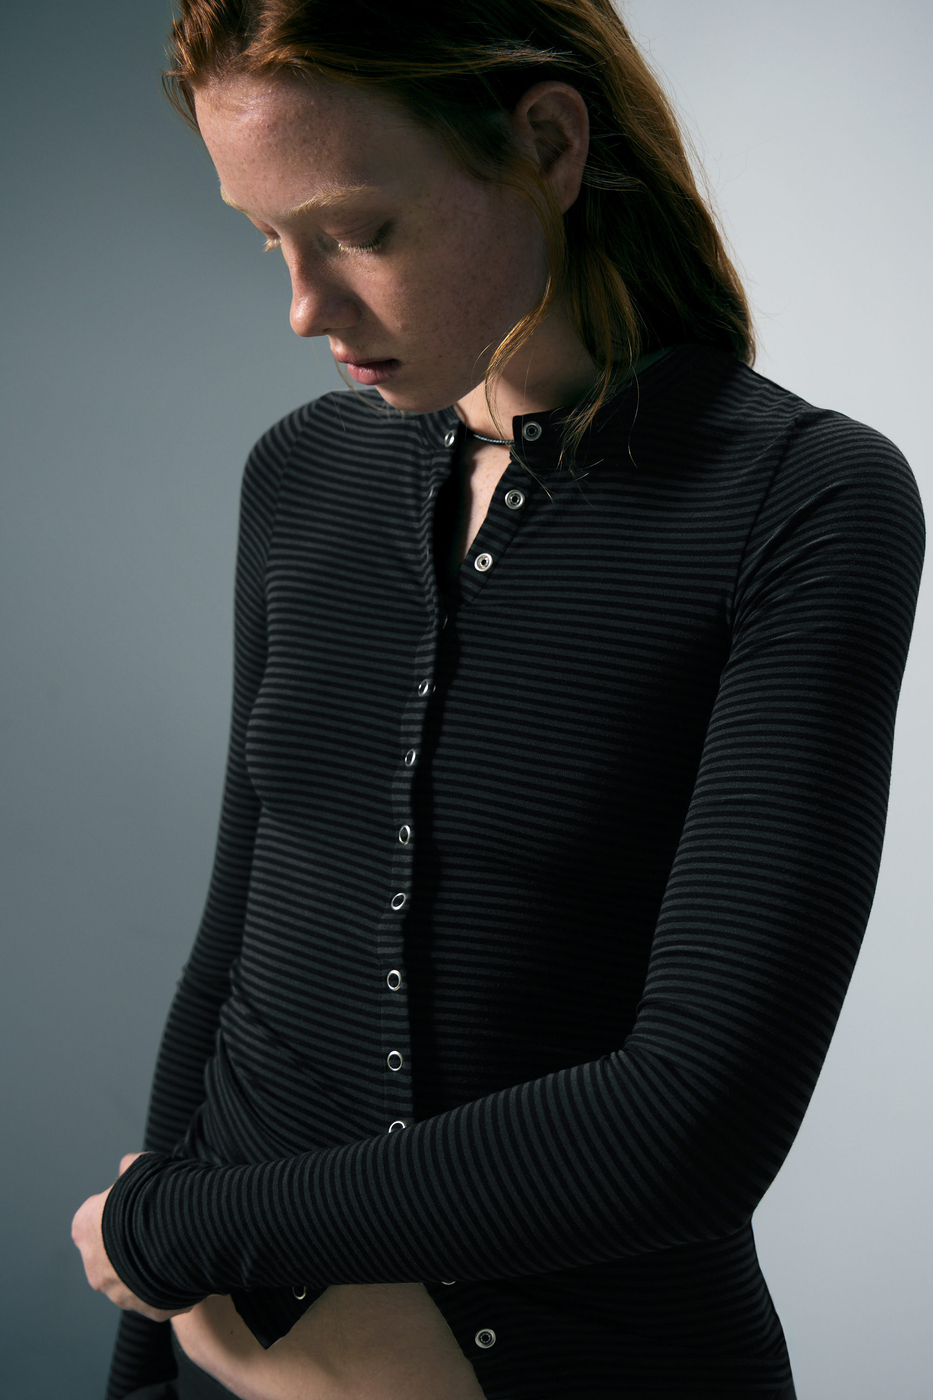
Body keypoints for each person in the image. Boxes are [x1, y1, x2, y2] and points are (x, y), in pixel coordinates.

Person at [71, 2, 924, 1398]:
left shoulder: (802, 500)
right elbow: (233, 958)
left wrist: (180, 1234)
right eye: (268, 239)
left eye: (361, 231)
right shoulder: (300, 474)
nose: (304, 308)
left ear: (547, 144)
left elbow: (692, 1125)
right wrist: (146, 1358)